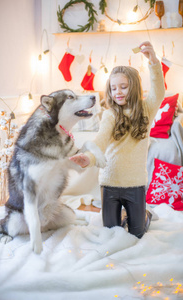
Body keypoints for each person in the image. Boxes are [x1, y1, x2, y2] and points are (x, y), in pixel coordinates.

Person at [70, 41, 165, 238]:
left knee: (137, 233)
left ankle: (144, 214)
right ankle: (122, 217)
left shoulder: (146, 110)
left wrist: (154, 61)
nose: (118, 92)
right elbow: (100, 140)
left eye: (123, 86)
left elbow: (159, 91)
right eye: (113, 88)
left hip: (135, 183)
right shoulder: (110, 114)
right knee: (112, 233)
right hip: (110, 183)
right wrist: (89, 157)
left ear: (135, 87)